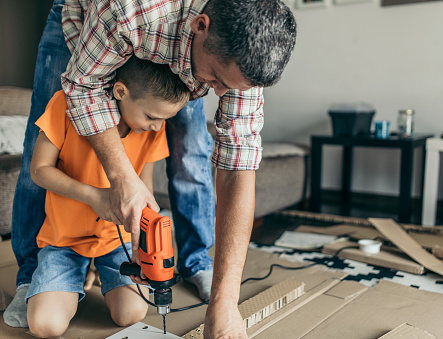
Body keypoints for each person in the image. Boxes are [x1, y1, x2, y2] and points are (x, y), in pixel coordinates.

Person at [6, 0, 297, 337]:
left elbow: (238, 161)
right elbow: (83, 89)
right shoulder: (127, 10)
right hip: (90, 16)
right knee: (36, 138)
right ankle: (30, 274)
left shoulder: (244, 46)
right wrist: (121, 180)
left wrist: (226, 301)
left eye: (229, 86)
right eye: (216, 77)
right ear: (201, 26)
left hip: (172, 38)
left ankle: (197, 262)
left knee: (192, 147)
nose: (216, 92)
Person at [26, 56, 190, 339]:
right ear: (120, 92)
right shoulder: (65, 104)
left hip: (116, 243)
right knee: (45, 326)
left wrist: (143, 249)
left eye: (163, 120)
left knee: (131, 314)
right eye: (151, 117)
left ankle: (98, 270)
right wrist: (93, 197)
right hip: (64, 241)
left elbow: (144, 191)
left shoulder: (153, 128)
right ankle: (76, 274)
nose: (155, 127)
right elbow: (40, 171)